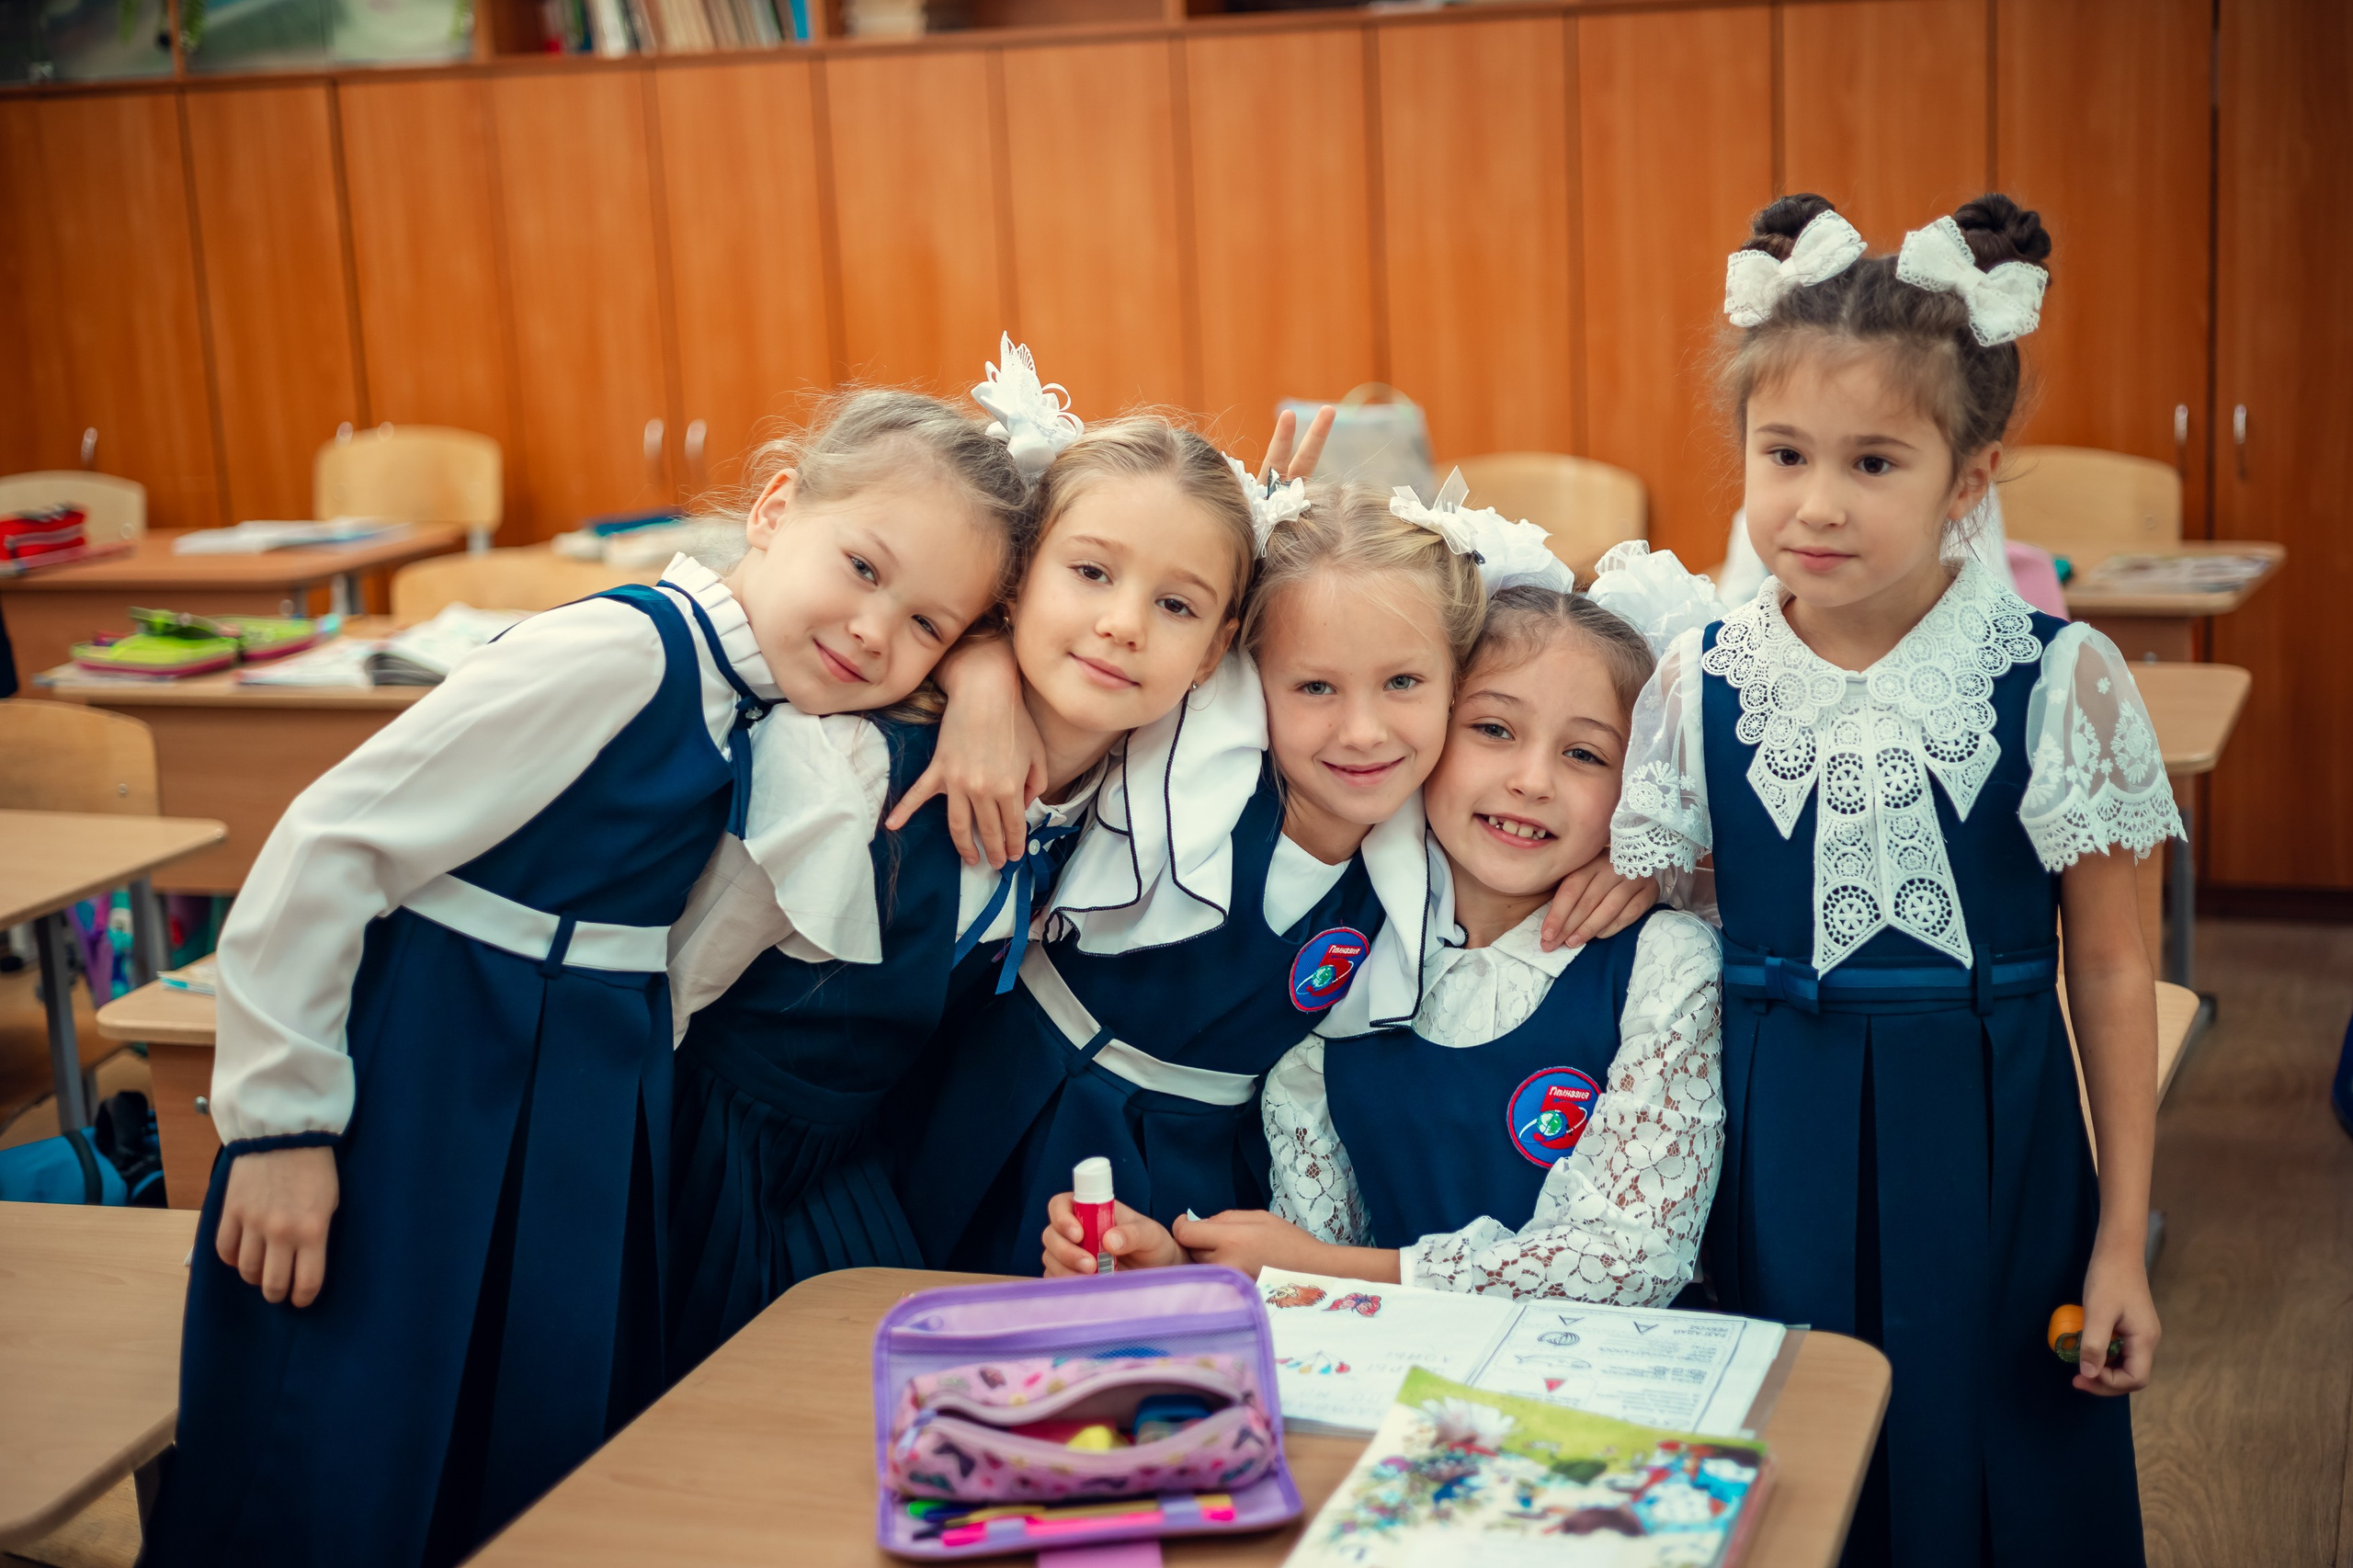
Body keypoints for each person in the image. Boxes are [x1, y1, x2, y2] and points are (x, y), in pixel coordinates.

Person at [145, 388, 1032, 1568]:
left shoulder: (766, 705)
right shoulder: (624, 649)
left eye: (926, 624)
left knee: (507, 1447)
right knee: (344, 1432)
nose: (876, 631)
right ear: (775, 508)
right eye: (861, 566)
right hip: (435, 1084)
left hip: (574, 1106)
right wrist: (280, 1126)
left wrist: (982, 674)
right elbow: (329, 846)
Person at [1609, 195, 2177, 1568]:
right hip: (1766, 1140)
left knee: (1990, 1452)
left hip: (1993, 1142)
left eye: (1874, 461)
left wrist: (2120, 1242)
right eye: (1784, 452)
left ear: (1968, 477)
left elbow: (2109, 969)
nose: (1817, 502)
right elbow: (1672, 910)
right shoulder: (1700, 680)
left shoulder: (2059, 680)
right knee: (1785, 1464)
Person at [662, 344, 1268, 1375]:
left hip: (856, 1159)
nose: (1122, 625)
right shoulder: (852, 767)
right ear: (1016, 585)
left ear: (1213, 651)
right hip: (703, 1158)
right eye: (1090, 572)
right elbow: (669, 991)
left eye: (1176, 605)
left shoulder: (1147, 785)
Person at [904, 467, 1656, 1278]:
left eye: (1402, 683)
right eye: (1314, 687)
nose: (1361, 732)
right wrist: (979, 674)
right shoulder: (1174, 766)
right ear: (1240, 669)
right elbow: (1015, 614)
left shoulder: (1426, 857)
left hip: (1198, 1173)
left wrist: (1637, 851)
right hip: (1010, 1105)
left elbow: (1563, 795)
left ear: (1452, 689)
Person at [1039, 585, 1723, 1307]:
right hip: (1402, 1398)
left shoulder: (1663, 964)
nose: (1531, 781)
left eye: (1585, 753)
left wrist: (1322, 1270)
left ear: (1636, 781)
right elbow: (1315, 1250)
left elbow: (1632, 1261)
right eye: (1493, 729)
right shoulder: (1347, 960)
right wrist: (1189, 1271)